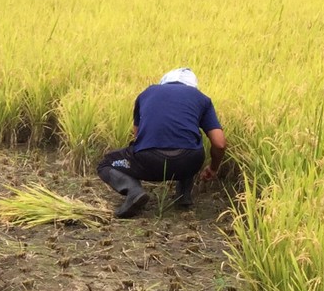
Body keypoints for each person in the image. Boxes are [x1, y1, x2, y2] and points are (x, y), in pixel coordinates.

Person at [96, 67, 226, 217]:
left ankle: (133, 191)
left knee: (105, 164)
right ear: (192, 86)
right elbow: (219, 143)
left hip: (150, 159)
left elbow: (138, 136)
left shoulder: (147, 93)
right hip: (189, 162)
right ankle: (184, 197)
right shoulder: (202, 98)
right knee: (190, 139)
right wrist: (213, 168)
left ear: (164, 82)